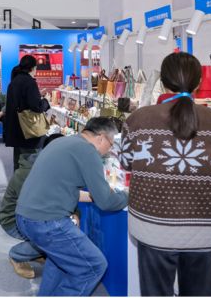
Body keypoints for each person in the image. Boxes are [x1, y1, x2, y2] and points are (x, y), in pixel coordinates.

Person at [120, 52, 211, 296]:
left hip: (153, 226)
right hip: (206, 229)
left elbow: (126, 163)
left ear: (162, 82)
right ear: (199, 82)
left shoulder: (139, 119)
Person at [15, 117, 128, 296]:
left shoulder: (62, 142)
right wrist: (129, 195)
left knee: (59, 262)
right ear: (101, 138)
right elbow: (106, 202)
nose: (109, 150)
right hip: (47, 222)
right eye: (111, 144)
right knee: (94, 266)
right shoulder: (88, 151)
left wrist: (93, 196)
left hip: (26, 216)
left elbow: (59, 186)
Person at [0, 133, 63, 279]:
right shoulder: (27, 173)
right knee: (54, 235)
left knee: (59, 229)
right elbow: (32, 209)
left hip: (32, 216)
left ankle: (37, 250)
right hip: (14, 220)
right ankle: (17, 255)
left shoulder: (52, 165)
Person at [3, 55, 50, 172]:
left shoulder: (14, 82)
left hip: (16, 130)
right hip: (29, 132)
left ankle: (17, 183)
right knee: (30, 164)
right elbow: (37, 107)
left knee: (18, 164)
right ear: (33, 68)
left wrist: (37, 95)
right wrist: (46, 101)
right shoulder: (30, 82)